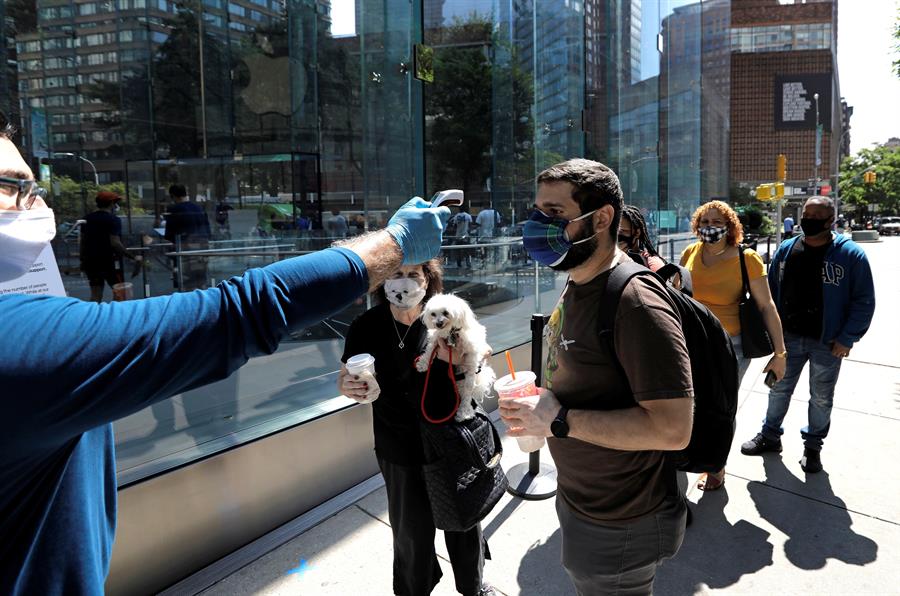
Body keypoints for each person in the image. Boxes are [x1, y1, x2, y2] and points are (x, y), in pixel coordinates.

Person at [0, 119, 451, 595]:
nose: (39, 204)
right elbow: (238, 313)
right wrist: (395, 242)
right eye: (15, 187)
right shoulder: (17, 343)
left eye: (37, 189)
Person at [502, 159, 693, 595]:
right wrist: (543, 406)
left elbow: (673, 429)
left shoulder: (635, 303)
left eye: (555, 213)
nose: (538, 225)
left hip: (621, 521)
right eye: (537, 211)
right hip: (584, 500)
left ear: (602, 218)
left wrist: (559, 420)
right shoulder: (579, 278)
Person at [338, 261, 494, 596]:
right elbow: (345, 376)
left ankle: (474, 587)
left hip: (451, 437)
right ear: (382, 281)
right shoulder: (366, 325)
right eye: (395, 274)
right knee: (411, 531)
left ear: (428, 280)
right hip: (397, 442)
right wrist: (350, 386)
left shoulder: (446, 316)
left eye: (414, 275)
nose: (404, 283)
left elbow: (480, 354)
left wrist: (474, 361)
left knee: (464, 520)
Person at [741, 196, 875, 473]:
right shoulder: (787, 249)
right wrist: (771, 335)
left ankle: (812, 447)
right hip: (788, 339)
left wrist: (847, 338)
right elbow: (771, 293)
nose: (809, 220)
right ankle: (770, 435)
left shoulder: (850, 254)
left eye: (816, 216)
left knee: (821, 397)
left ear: (830, 220)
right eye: (806, 214)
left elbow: (863, 301)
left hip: (828, 342)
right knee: (778, 389)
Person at [678, 200, 787, 491]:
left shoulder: (746, 258)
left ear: (729, 227)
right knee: (688, 403)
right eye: (704, 222)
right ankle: (689, 453)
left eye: (717, 222)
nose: (710, 227)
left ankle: (716, 466)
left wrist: (780, 353)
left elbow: (766, 306)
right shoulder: (690, 252)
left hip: (730, 345)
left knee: (720, 407)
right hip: (691, 340)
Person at [80, 190, 142, 302]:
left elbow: (83, 241)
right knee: (121, 293)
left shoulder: (87, 218)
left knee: (96, 295)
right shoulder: (114, 220)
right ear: (112, 203)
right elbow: (115, 242)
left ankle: (94, 313)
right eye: (115, 202)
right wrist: (132, 256)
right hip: (108, 262)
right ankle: (114, 313)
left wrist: (82, 260)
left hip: (91, 261)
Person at [164, 184, 212, 290]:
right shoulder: (199, 208)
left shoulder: (174, 210)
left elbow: (169, 235)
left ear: (173, 196)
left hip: (185, 251)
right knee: (201, 280)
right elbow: (208, 232)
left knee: (186, 282)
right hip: (202, 250)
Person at [618, 204, 666, 272]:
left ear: (637, 233)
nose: (615, 237)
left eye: (621, 232)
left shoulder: (652, 264)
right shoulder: (608, 260)